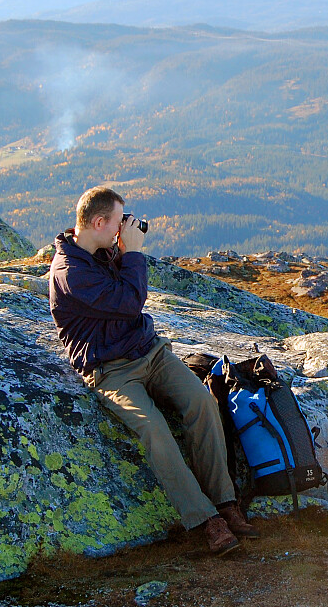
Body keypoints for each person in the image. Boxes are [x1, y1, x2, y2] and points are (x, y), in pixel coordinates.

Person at [48, 185, 257, 555]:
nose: (122, 229)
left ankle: (225, 501)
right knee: (155, 430)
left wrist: (123, 248)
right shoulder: (70, 272)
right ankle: (206, 519)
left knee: (203, 403)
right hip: (111, 371)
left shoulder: (102, 249)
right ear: (98, 222)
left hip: (152, 353)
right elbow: (130, 302)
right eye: (117, 222)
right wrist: (135, 253)